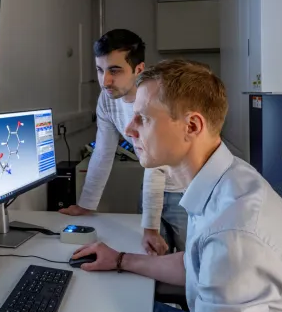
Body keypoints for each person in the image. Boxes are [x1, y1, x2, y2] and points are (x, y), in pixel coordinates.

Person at [0, 60, 282, 312]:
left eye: (143, 118)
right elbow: (194, 263)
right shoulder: (227, 182)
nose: (130, 130)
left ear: (191, 126)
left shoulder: (235, 234)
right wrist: (121, 260)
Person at [59, 29, 187, 255]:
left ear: (139, 69)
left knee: (192, 267)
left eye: (114, 71)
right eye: (100, 70)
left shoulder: (157, 97)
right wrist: (86, 205)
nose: (105, 81)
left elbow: (156, 164)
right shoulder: (107, 101)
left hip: (187, 193)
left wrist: (150, 227)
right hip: (150, 189)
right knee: (153, 262)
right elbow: (102, 152)